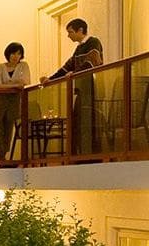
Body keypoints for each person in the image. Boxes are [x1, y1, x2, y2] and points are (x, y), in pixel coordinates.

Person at [39, 18, 104, 155]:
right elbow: (66, 67)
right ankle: (80, 154)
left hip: (92, 90)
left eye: (70, 32)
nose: (68, 35)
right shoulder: (79, 48)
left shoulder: (93, 42)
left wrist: (73, 74)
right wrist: (49, 79)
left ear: (80, 30)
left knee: (89, 123)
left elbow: (91, 62)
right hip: (82, 91)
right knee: (78, 122)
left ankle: (92, 155)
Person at [0, 42, 31, 163]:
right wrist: (15, 85)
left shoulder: (23, 66)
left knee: (8, 128)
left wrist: (7, 85)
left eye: (19, 53)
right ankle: (1, 157)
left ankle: (4, 157)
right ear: (8, 53)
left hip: (13, 101)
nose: (16, 56)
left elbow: (25, 82)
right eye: (13, 53)